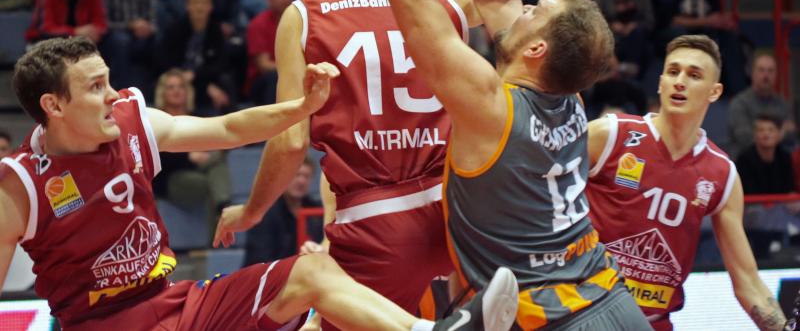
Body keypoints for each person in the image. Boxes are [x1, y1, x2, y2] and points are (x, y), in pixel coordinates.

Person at [0, 36, 518, 331]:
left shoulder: (133, 120)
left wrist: (302, 107)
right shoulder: (19, 186)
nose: (114, 94)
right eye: (96, 87)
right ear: (54, 105)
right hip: (106, 325)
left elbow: (228, 129)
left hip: (172, 303)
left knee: (312, 272)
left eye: (109, 80)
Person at [380, 0, 649, 329]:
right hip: (612, 301)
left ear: (536, 50)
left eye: (536, 11)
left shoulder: (490, 106)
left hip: (549, 318)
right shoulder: (567, 90)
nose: (524, 6)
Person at [215, 0, 487, 316]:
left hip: (376, 220)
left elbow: (290, 140)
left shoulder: (304, 14)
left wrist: (251, 211)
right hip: (460, 206)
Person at [585, 35, 787, 330]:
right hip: (587, 314)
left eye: (694, 75)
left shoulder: (722, 174)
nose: (680, 82)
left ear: (714, 92)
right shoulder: (611, 134)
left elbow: (747, 281)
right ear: (660, 83)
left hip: (653, 323)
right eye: (673, 71)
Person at [151, 68, 230, 238]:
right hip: (171, 177)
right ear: (162, 92)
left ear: (188, 91)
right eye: (171, 87)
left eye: (181, 86)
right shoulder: (155, 119)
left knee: (217, 161)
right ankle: (222, 219)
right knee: (209, 181)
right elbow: (156, 156)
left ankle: (222, 208)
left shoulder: (197, 116)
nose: (176, 91)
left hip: (201, 167)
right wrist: (189, 157)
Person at [158, 0, 236, 115]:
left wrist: (196, 76)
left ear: (210, 6)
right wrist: (182, 75)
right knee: (173, 84)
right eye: (195, 2)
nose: (199, 7)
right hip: (179, 78)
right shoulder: (174, 29)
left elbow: (220, 64)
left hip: (204, 80)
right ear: (187, 6)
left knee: (226, 82)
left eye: (204, 2)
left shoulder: (216, 31)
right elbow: (164, 60)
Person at [97, 0, 158, 92]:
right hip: (114, 35)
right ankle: (123, 91)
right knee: (121, 41)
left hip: (141, 33)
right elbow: (103, 23)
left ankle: (155, 90)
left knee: (160, 38)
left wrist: (149, 27)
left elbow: (153, 14)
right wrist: (130, 25)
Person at [244, 157, 323, 266]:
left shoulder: (316, 211)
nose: (301, 181)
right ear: (283, 178)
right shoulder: (264, 211)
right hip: (268, 272)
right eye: (296, 175)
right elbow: (260, 257)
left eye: (306, 176)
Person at [727, 54, 796, 160]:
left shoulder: (782, 103)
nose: (766, 75)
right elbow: (745, 139)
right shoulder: (739, 103)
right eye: (761, 70)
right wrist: (780, 134)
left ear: (776, 75)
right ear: (752, 73)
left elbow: (792, 135)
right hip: (746, 162)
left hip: (777, 162)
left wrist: (764, 136)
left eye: (770, 71)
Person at [246, 0, 296, 105]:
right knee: (274, 77)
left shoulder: (300, 22)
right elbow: (264, 65)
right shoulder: (258, 24)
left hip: (291, 74)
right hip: (263, 82)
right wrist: (296, 69)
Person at [737, 114, 796, 195]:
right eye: (761, 130)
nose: (766, 134)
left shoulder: (785, 158)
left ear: (779, 134)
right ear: (754, 135)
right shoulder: (744, 160)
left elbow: (789, 190)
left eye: (771, 130)